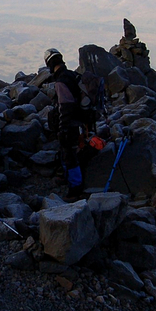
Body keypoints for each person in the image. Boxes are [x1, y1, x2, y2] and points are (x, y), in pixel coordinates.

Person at [44, 48, 87, 200]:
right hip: (79, 122)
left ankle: (76, 189)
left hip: (70, 124)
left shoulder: (61, 81)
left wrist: (63, 128)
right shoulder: (72, 75)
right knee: (67, 152)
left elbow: (66, 106)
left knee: (69, 155)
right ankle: (68, 177)